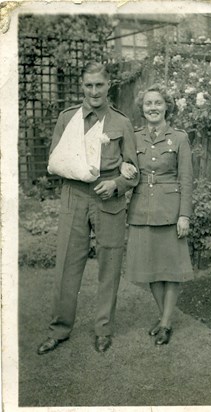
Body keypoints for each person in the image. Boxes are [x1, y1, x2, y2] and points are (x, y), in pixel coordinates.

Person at [37, 62, 139, 355]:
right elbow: (55, 161)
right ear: (81, 86)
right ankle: (59, 329)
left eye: (99, 85)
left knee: (109, 267)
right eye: (88, 85)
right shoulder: (67, 118)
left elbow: (135, 172)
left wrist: (117, 184)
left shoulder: (122, 123)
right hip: (74, 196)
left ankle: (103, 330)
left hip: (109, 198)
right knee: (66, 265)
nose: (94, 91)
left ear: (109, 85)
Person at [124, 84, 193, 345]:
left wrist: (184, 215)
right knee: (151, 268)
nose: (153, 108)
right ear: (142, 109)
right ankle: (165, 317)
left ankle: (165, 322)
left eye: (158, 103)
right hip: (142, 210)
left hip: (169, 209)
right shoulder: (135, 136)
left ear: (166, 107)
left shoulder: (179, 138)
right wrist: (122, 165)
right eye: (148, 104)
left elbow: (186, 179)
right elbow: (126, 163)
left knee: (171, 269)